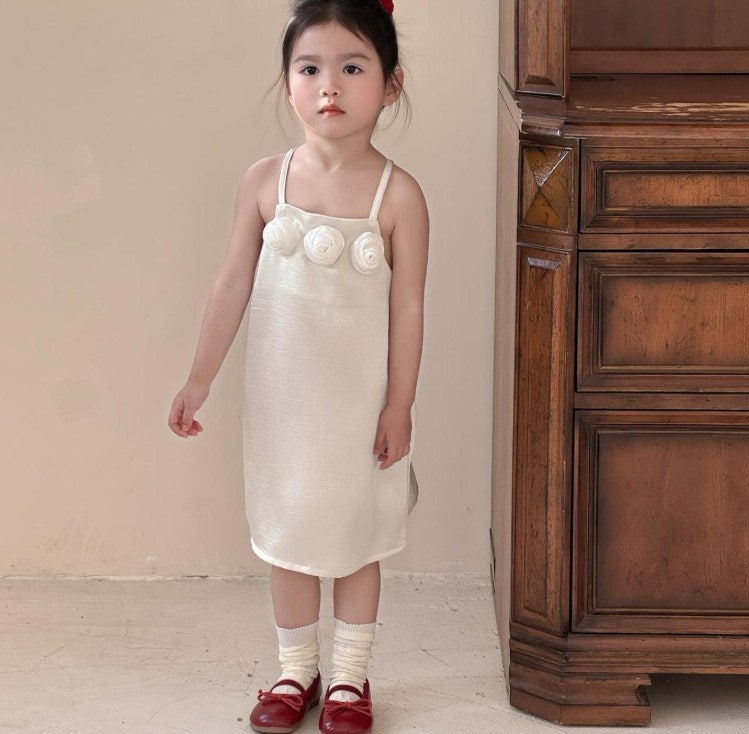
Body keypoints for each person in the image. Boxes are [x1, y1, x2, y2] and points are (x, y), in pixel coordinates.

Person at [168, 0, 428, 731]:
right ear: (287, 82)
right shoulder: (264, 182)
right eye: (309, 68)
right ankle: (295, 670)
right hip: (284, 404)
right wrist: (198, 377)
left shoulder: (399, 196)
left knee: (355, 539)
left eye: (353, 68)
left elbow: (408, 308)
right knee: (287, 535)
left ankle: (348, 677)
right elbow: (231, 285)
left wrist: (399, 404)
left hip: (358, 408)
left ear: (390, 84)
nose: (329, 86)